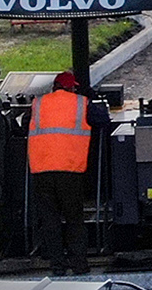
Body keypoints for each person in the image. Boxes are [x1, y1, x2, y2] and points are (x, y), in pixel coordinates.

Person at [28, 70, 103, 274]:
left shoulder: (38, 104)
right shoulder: (80, 103)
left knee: (50, 221)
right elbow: (103, 119)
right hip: (69, 170)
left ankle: (57, 266)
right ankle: (79, 264)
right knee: (74, 219)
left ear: (54, 87)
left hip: (41, 171)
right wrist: (92, 99)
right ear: (71, 87)